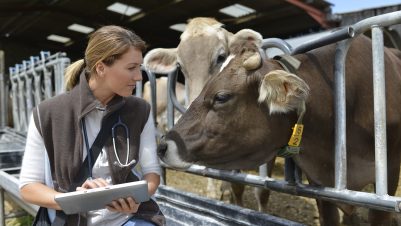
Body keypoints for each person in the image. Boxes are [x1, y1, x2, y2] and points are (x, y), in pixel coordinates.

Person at [19, 25, 165, 226]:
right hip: (69, 220)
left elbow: (152, 173)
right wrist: (74, 200)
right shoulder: (46, 114)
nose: (139, 77)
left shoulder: (140, 111)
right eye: (131, 68)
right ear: (101, 67)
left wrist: (137, 200)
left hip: (127, 219)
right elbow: (28, 187)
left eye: (139, 68)